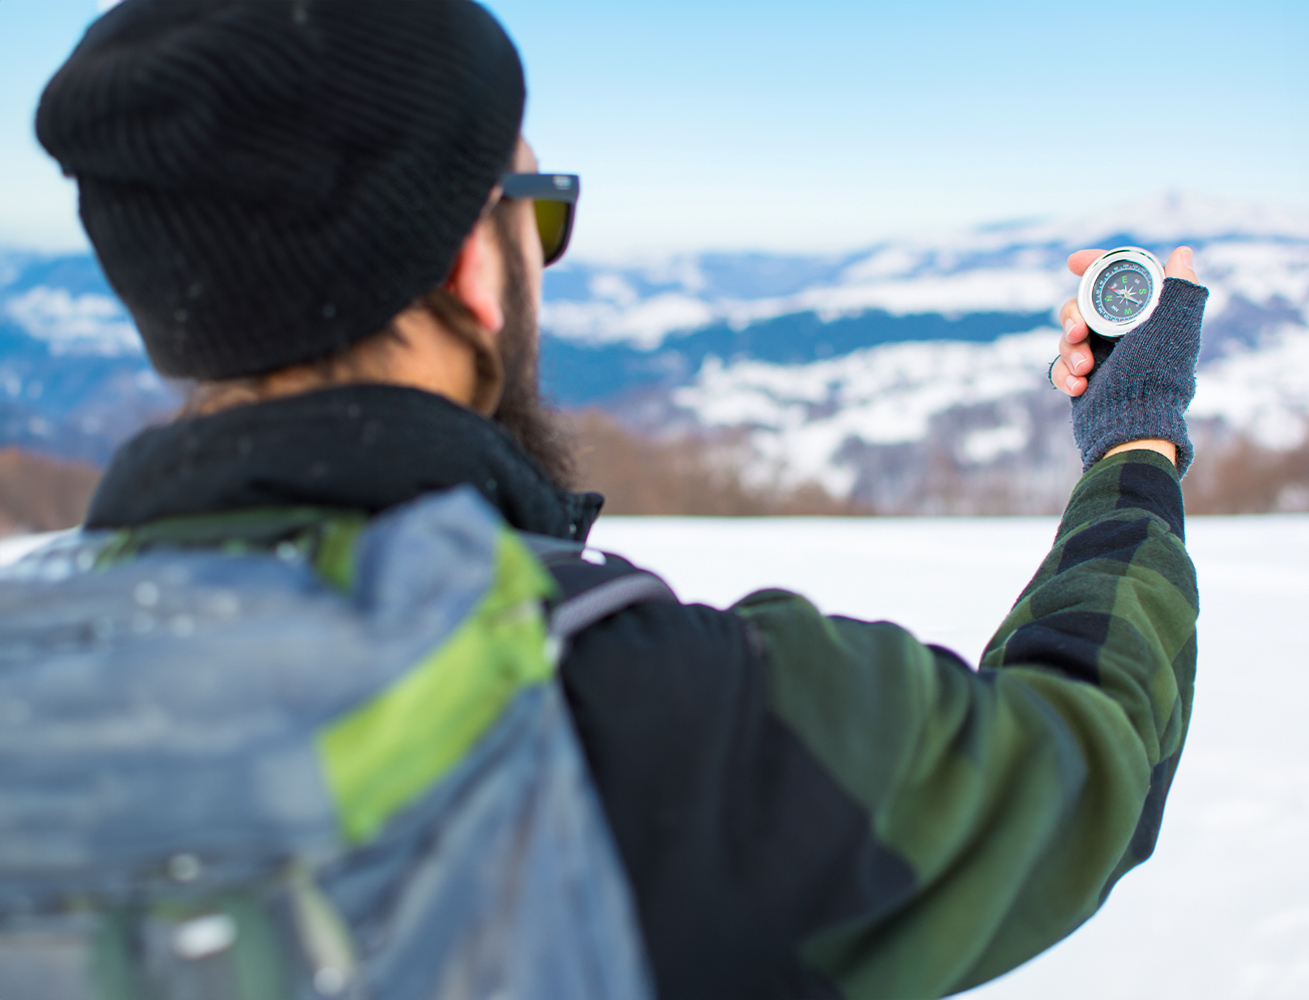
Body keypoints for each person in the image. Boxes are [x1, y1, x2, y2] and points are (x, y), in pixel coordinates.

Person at [5, 1, 1205, 997]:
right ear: (475, 267)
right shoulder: (661, 711)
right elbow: (1082, 754)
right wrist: (1132, 438)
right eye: (539, 208)